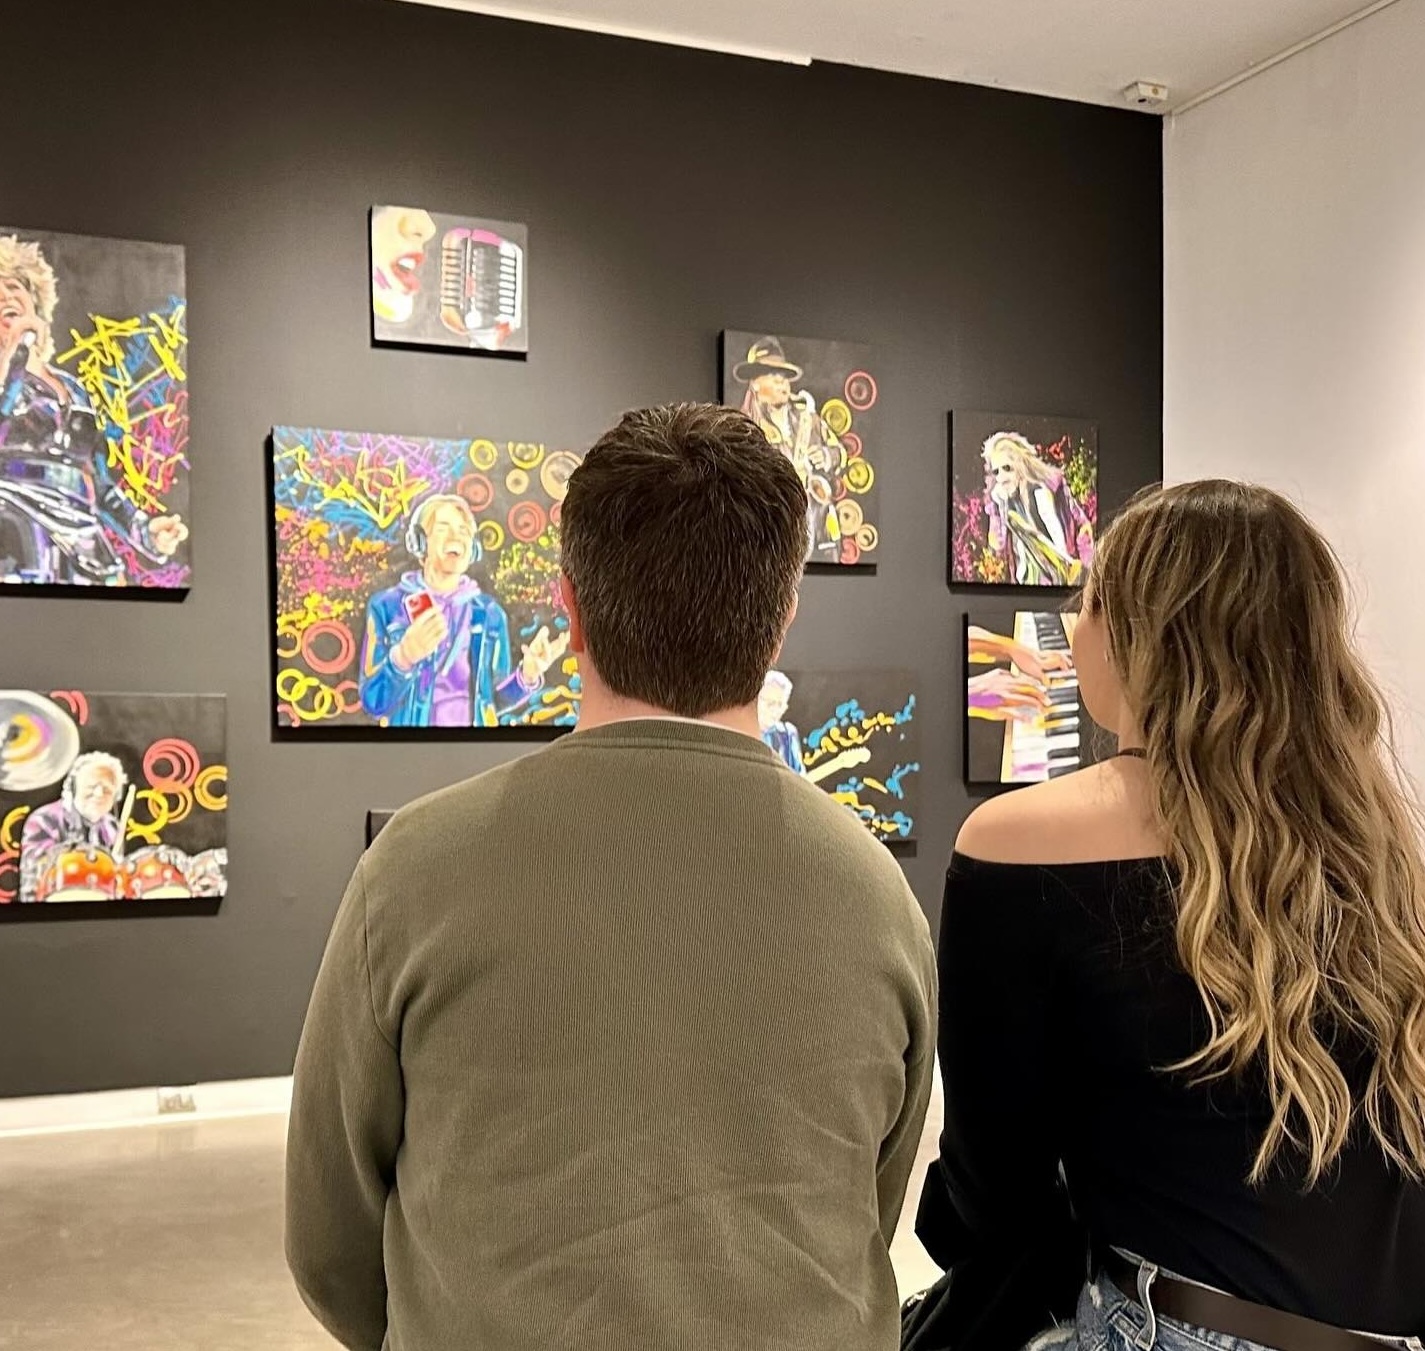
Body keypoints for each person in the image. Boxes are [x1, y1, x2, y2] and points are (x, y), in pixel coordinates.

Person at [287, 403, 937, 1351]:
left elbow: (329, 1238)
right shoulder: (876, 892)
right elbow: (866, 1209)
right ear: (783, 612)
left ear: (570, 605)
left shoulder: (416, 869)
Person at [912, 482, 1425, 1351]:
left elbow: (995, 1189)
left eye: (1085, 602)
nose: (1073, 630)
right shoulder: (1375, 852)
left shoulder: (1021, 838)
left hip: (1169, 1327)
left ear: (1136, 635)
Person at [0, 235, 188, 584]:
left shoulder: (73, 389)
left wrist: (145, 531)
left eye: (14, 287)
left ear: (35, 304)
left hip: (84, 541)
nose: (6, 297)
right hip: (16, 532)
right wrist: (13, 364)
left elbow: (97, 483)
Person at [358, 493, 567, 727]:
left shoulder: (490, 614)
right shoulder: (386, 607)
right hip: (411, 751)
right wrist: (403, 658)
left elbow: (493, 702)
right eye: (443, 528)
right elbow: (372, 702)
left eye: (464, 530)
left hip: (474, 753)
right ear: (420, 542)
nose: (456, 536)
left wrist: (527, 675)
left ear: (473, 548)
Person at [733, 336, 845, 562]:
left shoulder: (808, 418)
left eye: (784, 377)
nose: (782, 383)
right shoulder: (744, 425)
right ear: (755, 383)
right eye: (774, 376)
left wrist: (826, 456)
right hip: (774, 525)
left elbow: (839, 452)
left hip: (818, 518)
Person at [981, 431, 1093, 586]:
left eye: (1007, 468)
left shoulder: (1052, 488)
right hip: (1028, 586)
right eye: (996, 471)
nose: (1001, 477)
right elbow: (996, 546)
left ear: (1020, 464)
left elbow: (1083, 525)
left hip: (1066, 581)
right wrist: (998, 508)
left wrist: (1086, 570)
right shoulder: (1002, 504)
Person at [19, 751, 127, 902]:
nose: (99, 793)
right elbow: (35, 870)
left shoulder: (112, 827)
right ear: (73, 787)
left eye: (107, 789)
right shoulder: (44, 819)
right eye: (92, 786)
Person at [757, 668, 805, 773]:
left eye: (779, 705)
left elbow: (799, 774)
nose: (774, 711)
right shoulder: (740, 729)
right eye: (770, 703)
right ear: (756, 700)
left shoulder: (787, 734)